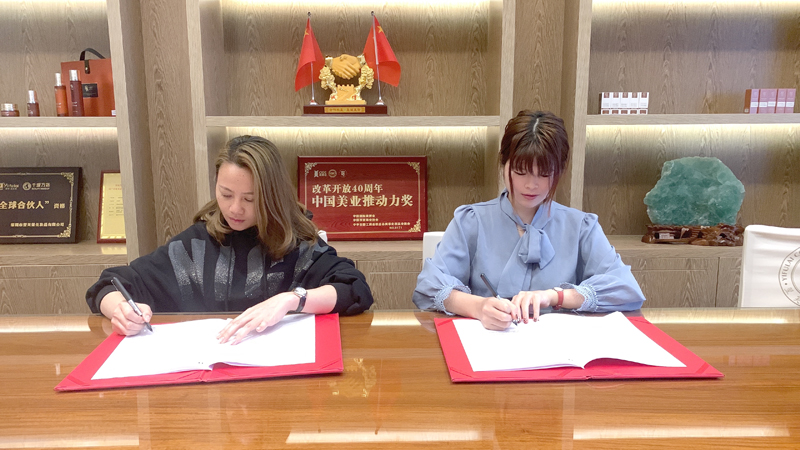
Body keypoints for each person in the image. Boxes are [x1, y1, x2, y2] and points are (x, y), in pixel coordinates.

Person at [87, 135, 374, 343]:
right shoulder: (196, 246)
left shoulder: (297, 245)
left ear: (273, 197)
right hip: (207, 381)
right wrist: (121, 311)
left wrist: (292, 300)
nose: (235, 209)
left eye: (250, 199)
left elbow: (355, 288)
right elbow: (109, 284)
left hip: (280, 382)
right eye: (225, 194)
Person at [412, 110, 644, 330]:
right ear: (503, 164)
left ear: (560, 171)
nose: (531, 185)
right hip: (488, 343)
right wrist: (479, 307)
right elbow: (430, 286)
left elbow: (625, 289)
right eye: (520, 172)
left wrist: (555, 296)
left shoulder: (581, 227)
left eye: (544, 174)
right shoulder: (471, 221)